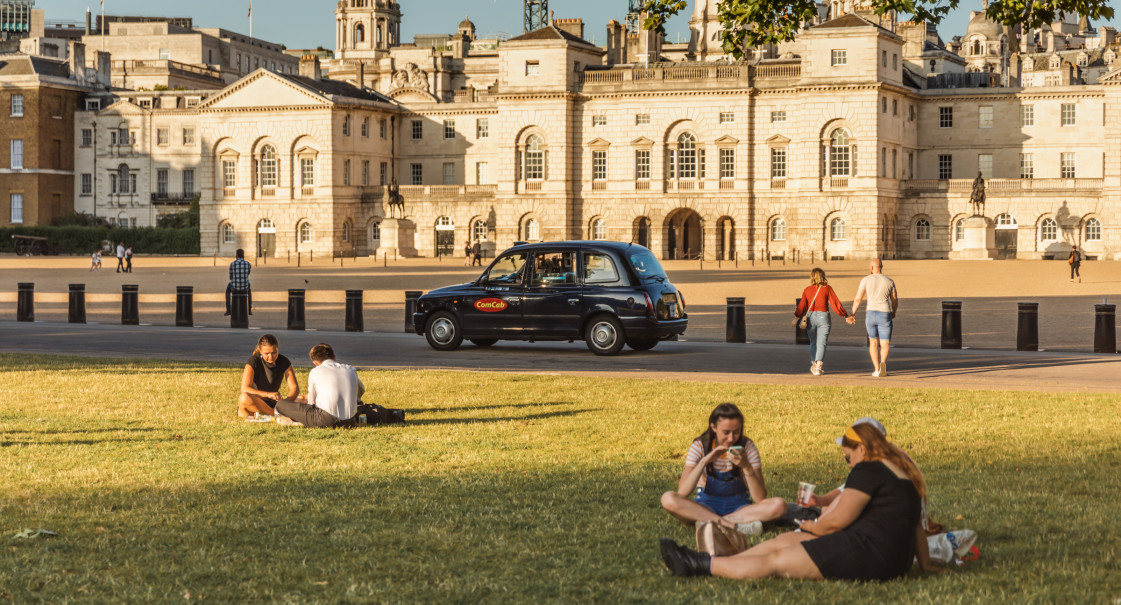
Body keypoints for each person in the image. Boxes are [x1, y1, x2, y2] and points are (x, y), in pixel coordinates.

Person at [658, 422, 942, 581]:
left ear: (862, 449)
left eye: (848, 457)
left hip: (869, 555)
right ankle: (721, 561)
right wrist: (926, 567)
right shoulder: (904, 474)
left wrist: (810, 526)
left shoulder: (868, 469)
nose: (849, 464)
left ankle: (697, 564)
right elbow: (916, 525)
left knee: (776, 560)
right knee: (780, 543)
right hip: (892, 559)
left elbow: (835, 524)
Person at [660, 403, 788, 537]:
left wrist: (746, 466)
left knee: (779, 505)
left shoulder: (748, 447)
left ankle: (710, 523)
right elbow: (683, 492)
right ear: (713, 427)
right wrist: (704, 461)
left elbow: (760, 497)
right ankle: (732, 526)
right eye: (726, 432)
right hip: (706, 506)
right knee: (668, 498)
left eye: (736, 432)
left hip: (740, 508)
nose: (731, 438)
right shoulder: (700, 446)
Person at [274, 343, 364, 428]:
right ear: (334, 357)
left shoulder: (316, 371)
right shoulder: (350, 369)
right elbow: (361, 390)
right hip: (350, 421)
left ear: (316, 363)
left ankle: (295, 422)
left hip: (326, 420)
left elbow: (312, 401)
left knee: (281, 404)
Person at [792, 268, 849, 376]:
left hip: (811, 317)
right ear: (823, 276)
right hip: (824, 316)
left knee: (813, 342)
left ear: (812, 277)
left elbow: (802, 306)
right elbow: (835, 304)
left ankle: (814, 364)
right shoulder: (827, 288)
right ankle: (819, 365)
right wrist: (845, 315)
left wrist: (796, 317)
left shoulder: (807, 290)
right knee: (821, 343)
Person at [848, 258, 898, 377]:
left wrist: (853, 313)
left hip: (871, 313)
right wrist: (894, 311)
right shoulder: (889, 281)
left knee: (873, 342)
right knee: (885, 343)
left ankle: (876, 369)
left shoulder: (865, 280)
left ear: (871, 267)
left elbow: (858, 299)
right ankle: (882, 364)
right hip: (884, 312)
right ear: (882, 266)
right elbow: (894, 300)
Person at [237, 334, 300, 418]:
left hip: (273, 403)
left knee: (303, 398)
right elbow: (245, 388)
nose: (271, 357)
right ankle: (274, 414)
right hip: (254, 402)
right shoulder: (253, 361)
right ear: (260, 351)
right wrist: (268, 394)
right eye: (266, 353)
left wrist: (285, 402)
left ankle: (273, 413)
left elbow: (294, 388)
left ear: (277, 349)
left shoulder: (284, 361)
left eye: (274, 352)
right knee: (244, 398)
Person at [225, 248, 252, 316]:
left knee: (228, 290)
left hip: (234, 286)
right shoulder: (248, 264)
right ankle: (249, 309)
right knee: (249, 289)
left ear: (236, 255)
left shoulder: (232, 264)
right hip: (244, 286)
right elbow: (248, 273)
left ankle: (228, 309)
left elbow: (231, 277)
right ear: (243, 255)